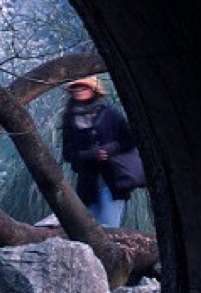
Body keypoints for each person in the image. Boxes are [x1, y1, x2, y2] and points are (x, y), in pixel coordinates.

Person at [59, 75, 145, 227]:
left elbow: (129, 141)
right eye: (74, 88)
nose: (78, 91)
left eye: (83, 87)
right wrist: (92, 155)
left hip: (114, 180)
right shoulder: (69, 119)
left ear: (93, 90)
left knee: (110, 229)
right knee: (90, 230)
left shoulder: (111, 114)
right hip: (87, 184)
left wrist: (109, 150)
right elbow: (68, 154)